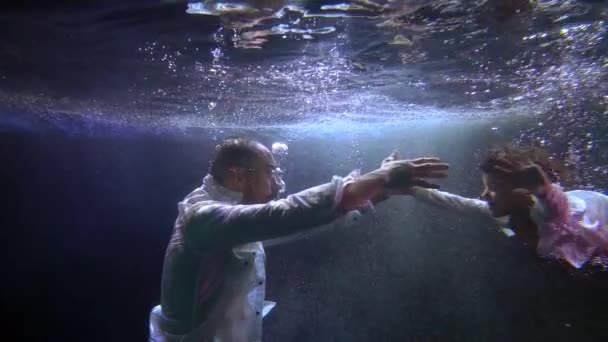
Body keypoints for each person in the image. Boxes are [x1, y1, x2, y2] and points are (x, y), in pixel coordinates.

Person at [149, 138, 449, 342]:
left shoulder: (230, 218)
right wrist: (376, 180)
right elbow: (285, 215)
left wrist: (375, 191)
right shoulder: (201, 219)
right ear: (238, 176)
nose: (279, 185)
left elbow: (295, 225)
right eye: (271, 172)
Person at [405, 145, 608, 269]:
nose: (485, 194)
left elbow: (556, 209)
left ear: (523, 192)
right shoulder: (505, 216)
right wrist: (410, 188)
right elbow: (459, 204)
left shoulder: (545, 212)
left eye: (494, 188)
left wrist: (543, 190)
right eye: (486, 187)